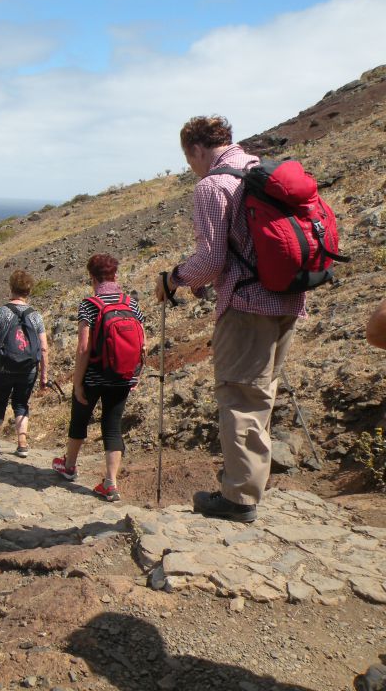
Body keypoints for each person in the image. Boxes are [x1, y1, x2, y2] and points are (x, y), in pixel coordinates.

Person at [154, 115, 304, 524]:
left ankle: (238, 498)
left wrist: (174, 278)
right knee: (262, 395)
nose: (192, 168)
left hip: (247, 307)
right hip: (287, 299)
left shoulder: (212, 185)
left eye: (189, 160)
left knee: (239, 398)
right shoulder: (259, 170)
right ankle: (248, 482)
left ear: (197, 150)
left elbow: (211, 258)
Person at [52, 254, 144, 502]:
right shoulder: (131, 303)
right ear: (115, 275)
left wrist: (77, 382)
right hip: (122, 375)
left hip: (93, 375)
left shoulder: (90, 304)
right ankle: (111, 484)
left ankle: (69, 466)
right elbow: (142, 343)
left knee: (80, 419)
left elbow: (83, 347)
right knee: (112, 426)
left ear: (92, 277)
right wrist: (135, 375)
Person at [0, 270, 49, 457]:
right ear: (29, 291)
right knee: (21, 403)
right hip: (28, 369)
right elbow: (44, 348)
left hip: (2, 368)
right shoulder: (36, 316)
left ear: (11, 288)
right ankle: (22, 443)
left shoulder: (0, 312)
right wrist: (44, 376)